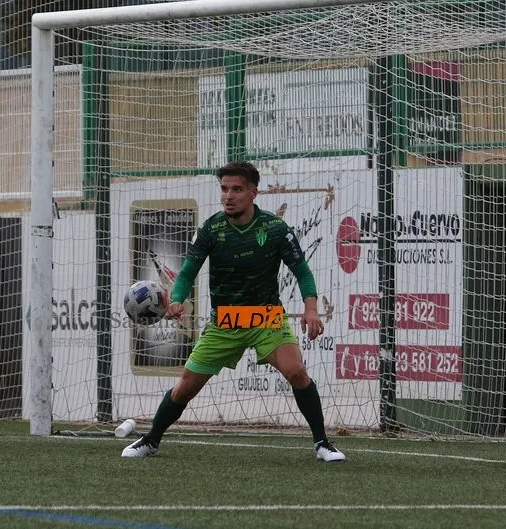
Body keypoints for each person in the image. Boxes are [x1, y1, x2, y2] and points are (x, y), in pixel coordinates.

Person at [122, 161, 345, 462]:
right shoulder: (211, 229)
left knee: (296, 372)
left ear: (253, 192)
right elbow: (187, 273)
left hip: (266, 318)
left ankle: (322, 444)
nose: (228, 196)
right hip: (225, 322)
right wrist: (176, 299)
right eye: (224, 189)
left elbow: (302, 272)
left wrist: (311, 309)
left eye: (236, 189)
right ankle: (150, 440)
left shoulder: (275, 229)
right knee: (185, 387)